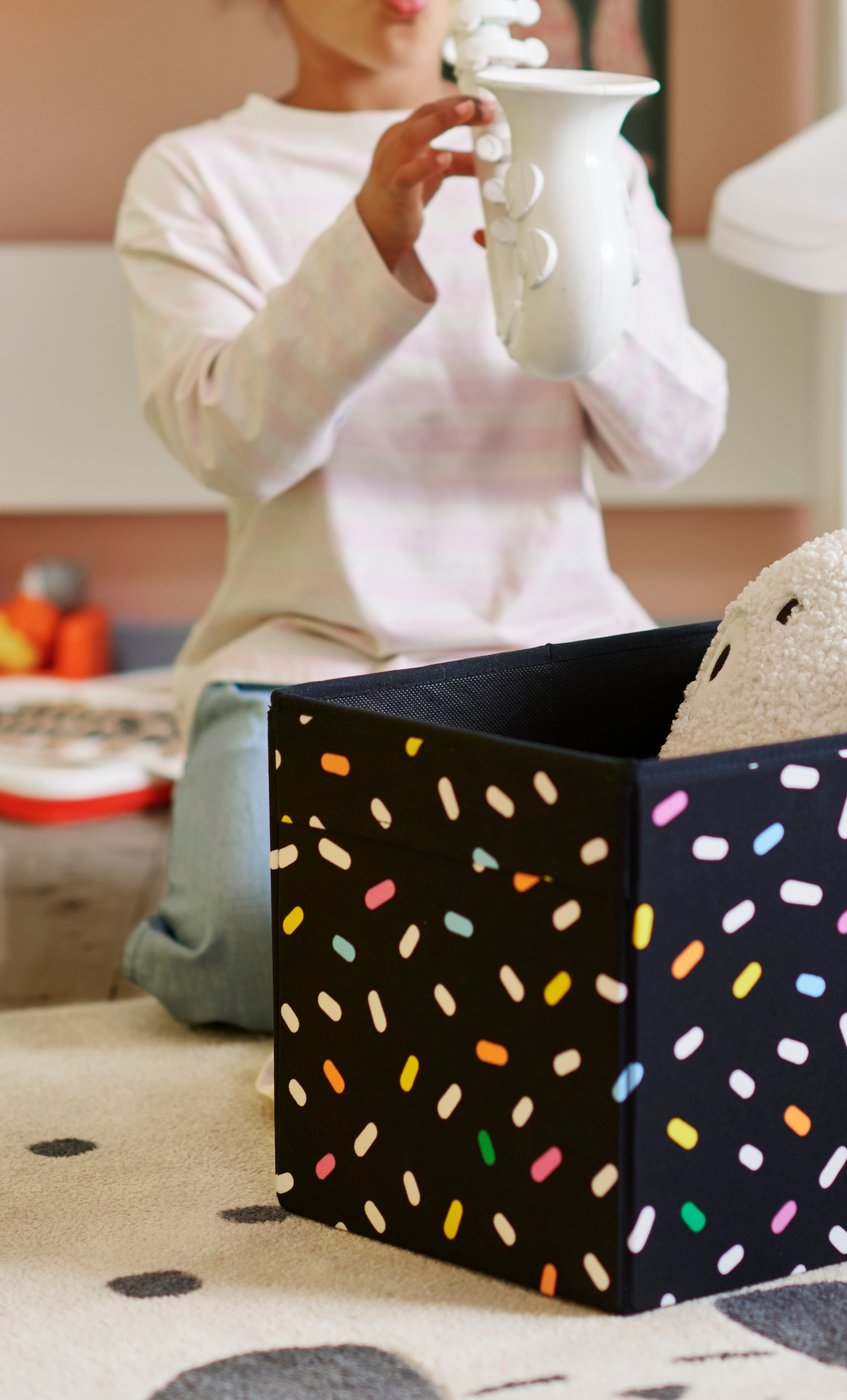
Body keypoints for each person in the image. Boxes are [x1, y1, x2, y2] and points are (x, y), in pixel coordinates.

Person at [116, 0, 727, 1032]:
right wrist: (367, 242)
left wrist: (579, 280)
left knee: (711, 913)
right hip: (305, 667)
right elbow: (233, 446)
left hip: (560, 649)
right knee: (245, 936)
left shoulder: (591, 158)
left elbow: (670, 445)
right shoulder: (196, 175)